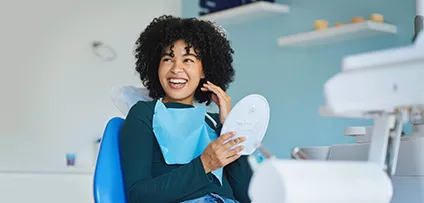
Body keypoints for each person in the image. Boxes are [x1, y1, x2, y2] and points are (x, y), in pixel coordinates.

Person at [118, 15, 253, 203]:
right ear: (156, 66)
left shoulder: (214, 123)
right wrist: (204, 164)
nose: (176, 69)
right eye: (167, 59)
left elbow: (248, 196)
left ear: (204, 69)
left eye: (188, 60)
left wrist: (230, 125)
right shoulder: (144, 114)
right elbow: (138, 196)